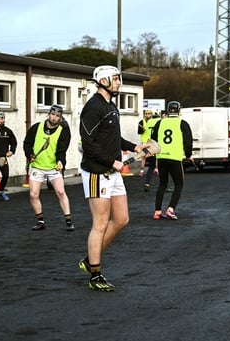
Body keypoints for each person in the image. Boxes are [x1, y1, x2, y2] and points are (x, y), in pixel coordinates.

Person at [78, 65, 150, 292]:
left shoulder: (110, 105)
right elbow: (87, 144)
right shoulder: (92, 108)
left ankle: (90, 259)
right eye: (116, 79)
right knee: (99, 224)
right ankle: (95, 274)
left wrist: (135, 146)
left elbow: (113, 137)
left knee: (121, 219)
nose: (119, 82)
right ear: (103, 80)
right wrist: (112, 162)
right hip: (97, 173)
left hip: (113, 172)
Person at [23, 105, 74, 231]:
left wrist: (61, 161)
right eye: (52, 114)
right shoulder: (36, 127)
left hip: (53, 167)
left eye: (57, 116)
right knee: (33, 195)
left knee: (61, 192)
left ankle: (68, 221)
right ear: (48, 114)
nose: (54, 117)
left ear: (60, 117)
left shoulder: (63, 131)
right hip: (37, 166)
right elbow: (27, 143)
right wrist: (29, 155)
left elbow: (62, 150)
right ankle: (40, 221)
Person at [150, 100, 193, 220]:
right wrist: (189, 155)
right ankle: (171, 209)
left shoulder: (160, 123)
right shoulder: (182, 123)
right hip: (175, 158)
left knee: (162, 184)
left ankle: (157, 211)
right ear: (179, 110)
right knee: (179, 184)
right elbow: (188, 141)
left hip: (162, 157)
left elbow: (153, 140)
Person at [142, 111, 161, 192]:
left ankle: (147, 183)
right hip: (157, 144)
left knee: (150, 166)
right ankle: (163, 185)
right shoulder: (160, 122)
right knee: (161, 166)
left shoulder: (149, 122)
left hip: (149, 143)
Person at [137, 109, 154, 177]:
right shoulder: (142, 122)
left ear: (151, 114)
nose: (147, 115)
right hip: (144, 141)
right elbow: (138, 132)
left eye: (149, 113)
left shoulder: (153, 121)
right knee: (143, 156)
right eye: (146, 114)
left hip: (152, 141)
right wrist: (142, 130)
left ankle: (155, 169)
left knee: (155, 156)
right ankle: (142, 171)